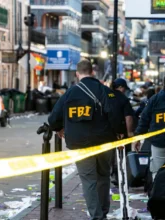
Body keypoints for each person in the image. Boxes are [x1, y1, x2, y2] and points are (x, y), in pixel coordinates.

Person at [48, 60, 123, 220]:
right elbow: (114, 115)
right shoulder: (104, 91)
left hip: (80, 144)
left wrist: (60, 128)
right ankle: (103, 211)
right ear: (92, 72)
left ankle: (97, 216)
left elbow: (53, 118)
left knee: (88, 180)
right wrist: (119, 132)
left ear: (77, 73)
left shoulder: (70, 93)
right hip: (104, 142)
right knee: (103, 176)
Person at [109, 78, 135, 185]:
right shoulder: (123, 99)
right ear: (120, 87)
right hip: (121, 132)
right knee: (121, 154)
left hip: (107, 132)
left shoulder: (106, 96)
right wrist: (130, 133)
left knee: (110, 154)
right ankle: (120, 174)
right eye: (124, 88)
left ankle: (112, 174)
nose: (125, 91)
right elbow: (128, 118)